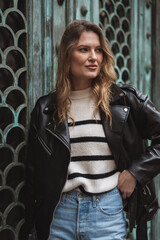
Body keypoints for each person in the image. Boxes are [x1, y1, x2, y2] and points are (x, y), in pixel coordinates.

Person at [25, 20, 160, 240]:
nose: (93, 57)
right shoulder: (46, 109)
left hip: (106, 213)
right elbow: (33, 176)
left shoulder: (123, 100)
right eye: (84, 49)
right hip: (59, 215)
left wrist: (135, 173)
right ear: (67, 55)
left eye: (98, 50)